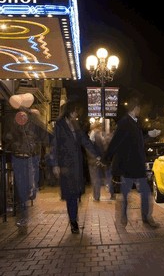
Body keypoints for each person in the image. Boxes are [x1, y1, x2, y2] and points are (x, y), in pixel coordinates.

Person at [103, 91, 160, 228]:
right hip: (128, 165)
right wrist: (106, 158)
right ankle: (123, 216)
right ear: (135, 108)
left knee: (145, 192)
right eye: (139, 108)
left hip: (138, 164)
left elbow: (137, 141)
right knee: (125, 193)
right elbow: (115, 142)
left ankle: (146, 218)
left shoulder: (135, 123)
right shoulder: (124, 122)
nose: (140, 111)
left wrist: (150, 135)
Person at [49, 100, 101, 234]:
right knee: (71, 193)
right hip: (65, 165)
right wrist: (55, 164)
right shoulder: (59, 125)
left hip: (77, 164)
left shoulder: (76, 125)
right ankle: (73, 221)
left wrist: (96, 155)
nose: (76, 114)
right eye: (74, 111)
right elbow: (54, 145)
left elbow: (85, 141)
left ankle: (73, 217)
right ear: (69, 111)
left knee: (77, 192)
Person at [2, 93, 50, 229]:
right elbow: (6, 136)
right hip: (19, 156)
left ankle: (30, 192)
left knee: (27, 186)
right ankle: (23, 215)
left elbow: (44, 136)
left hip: (30, 156)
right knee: (20, 187)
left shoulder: (33, 117)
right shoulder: (11, 118)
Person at [87, 120, 115, 201]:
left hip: (95, 160)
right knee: (108, 177)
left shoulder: (93, 133)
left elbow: (89, 146)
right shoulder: (105, 134)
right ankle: (112, 194)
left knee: (96, 179)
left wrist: (95, 157)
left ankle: (96, 197)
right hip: (105, 160)